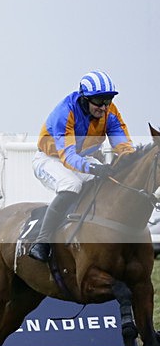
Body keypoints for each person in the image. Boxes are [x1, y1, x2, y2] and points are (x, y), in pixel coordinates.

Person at [28, 70, 135, 262]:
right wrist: (93, 168)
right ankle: (41, 241)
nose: (104, 107)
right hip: (50, 159)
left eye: (108, 100)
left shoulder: (110, 112)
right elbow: (68, 157)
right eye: (99, 101)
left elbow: (123, 144)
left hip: (81, 158)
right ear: (85, 99)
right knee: (71, 185)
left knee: (107, 183)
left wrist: (131, 161)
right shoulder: (65, 112)